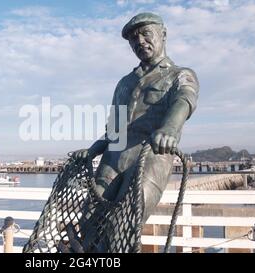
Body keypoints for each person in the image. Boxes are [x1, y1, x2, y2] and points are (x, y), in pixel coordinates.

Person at [71, 12, 199, 225]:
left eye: (146, 34)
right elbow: (114, 130)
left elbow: (185, 98)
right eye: (134, 38)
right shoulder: (124, 83)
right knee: (88, 222)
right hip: (112, 160)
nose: (140, 41)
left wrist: (170, 128)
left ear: (163, 34)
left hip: (149, 158)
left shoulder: (179, 75)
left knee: (124, 224)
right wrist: (92, 150)